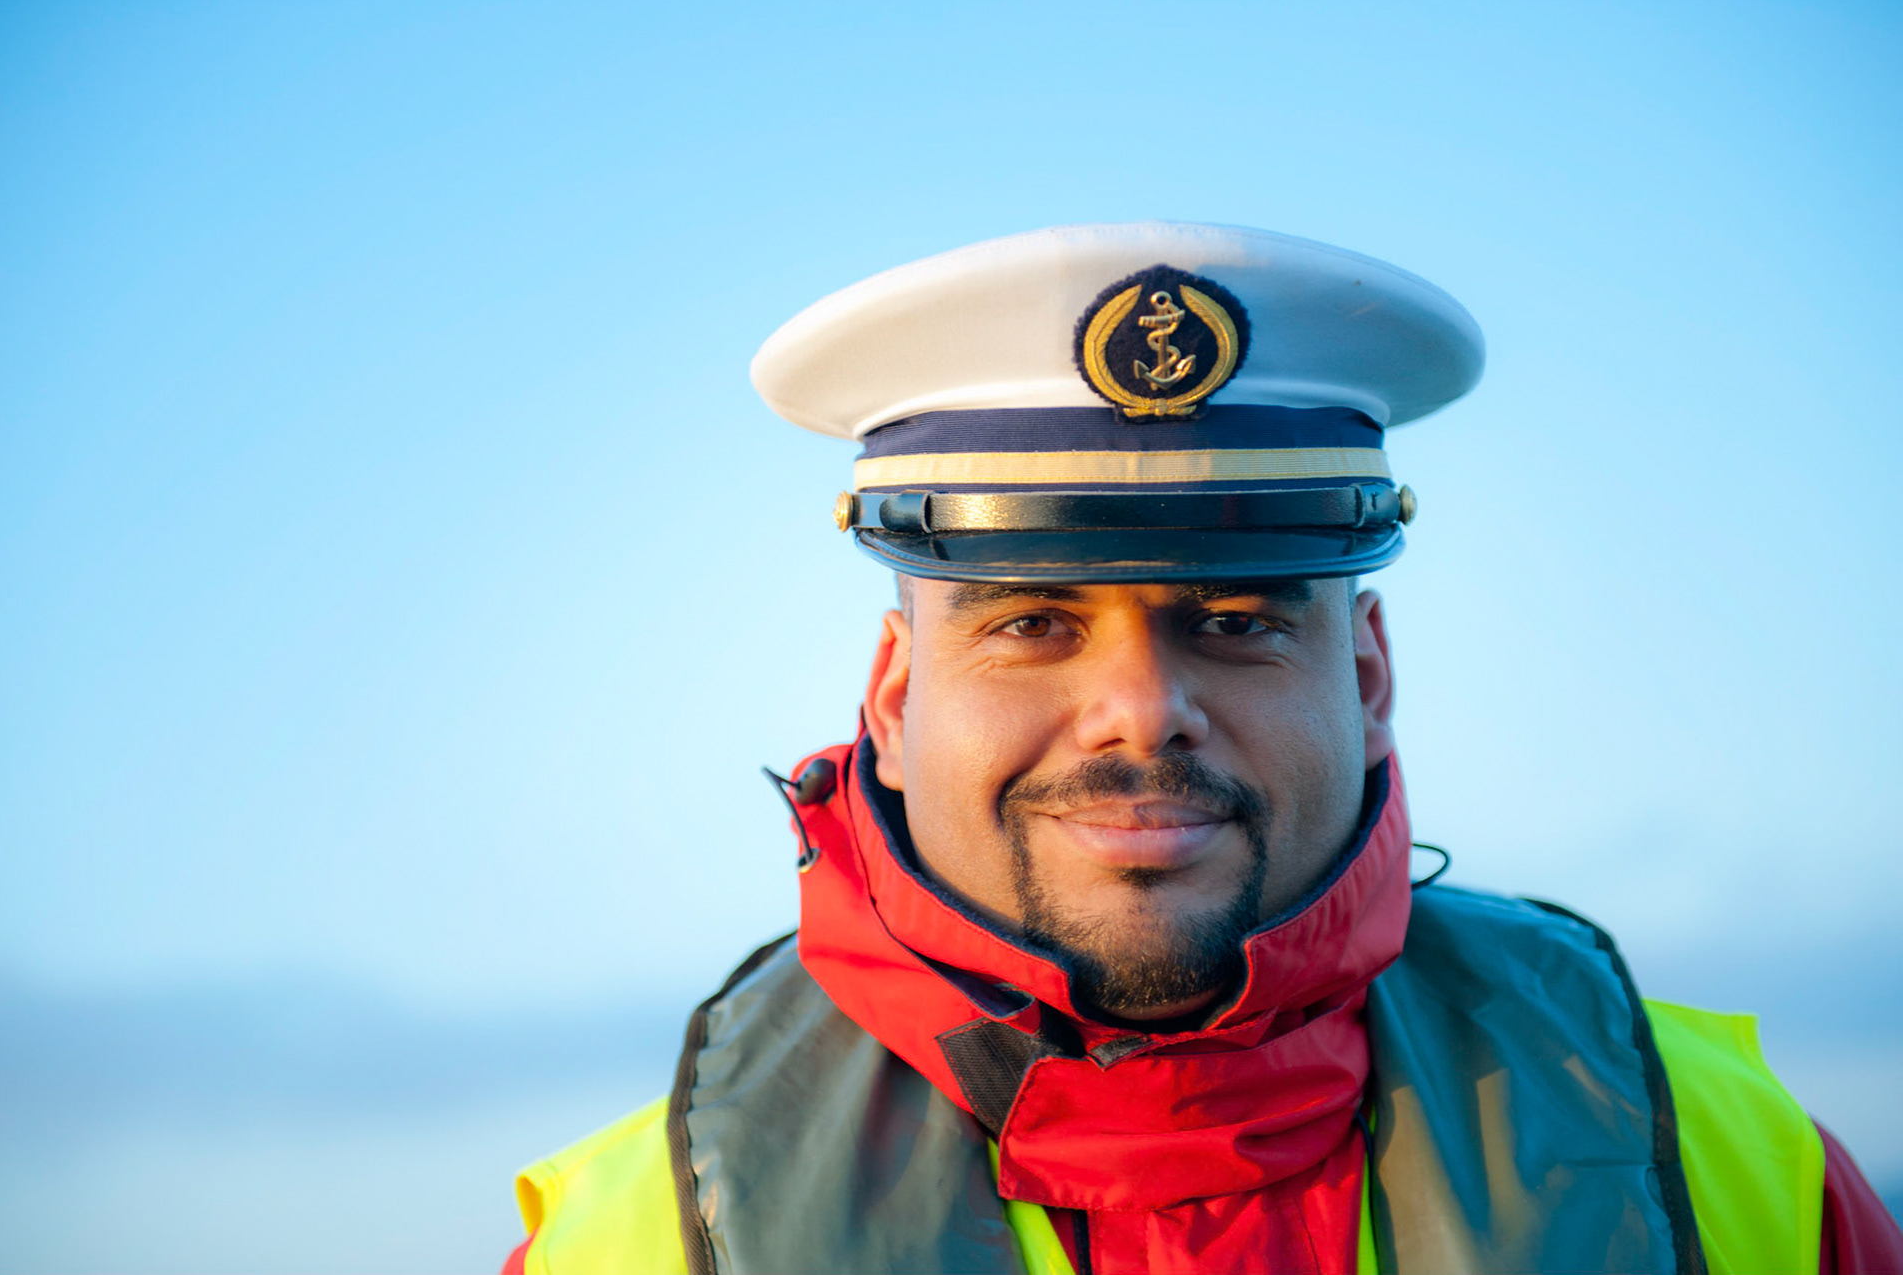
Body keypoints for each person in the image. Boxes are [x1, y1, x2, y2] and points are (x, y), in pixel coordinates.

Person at [501, 223, 1901, 1274]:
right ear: (890, 694)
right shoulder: (620, 1247)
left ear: (1366, 672)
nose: (1140, 706)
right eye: (1034, 620)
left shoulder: (1746, 1183)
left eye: (1235, 618)